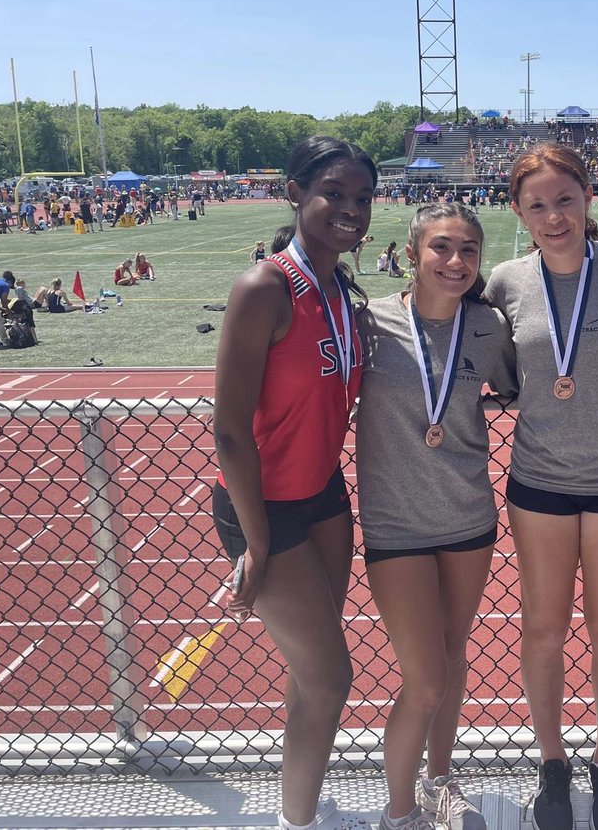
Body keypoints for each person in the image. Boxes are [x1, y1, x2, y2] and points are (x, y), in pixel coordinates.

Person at [485, 143, 598, 830]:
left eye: (564, 199)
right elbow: (487, 361)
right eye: (537, 204)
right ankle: (552, 761)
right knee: (542, 628)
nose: (553, 216)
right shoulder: (505, 281)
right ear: (518, 211)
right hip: (538, 481)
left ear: (589, 196)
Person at [212, 136, 374, 830]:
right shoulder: (264, 287)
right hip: (265, 509)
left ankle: (300, 806)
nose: (350, 209)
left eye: (363, 198)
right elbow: (228, 432)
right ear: (295, 192)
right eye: (334, 193)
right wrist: (254, 544)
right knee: (332, 678)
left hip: (326, 497)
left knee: (314, 676)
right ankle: (296, 824)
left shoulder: (342, 289)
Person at [356, 204, 516, 830]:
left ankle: (439, 781)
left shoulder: (487, 327)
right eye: (442, 248)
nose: (456, 262)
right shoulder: (371, 324)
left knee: (452, 659)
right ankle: (399, 815)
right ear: (414, 252)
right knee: (422, 679)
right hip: (395, 524)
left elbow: (513, 385)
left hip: (468, 516)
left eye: (469, 250)